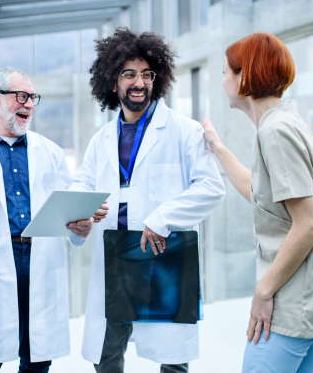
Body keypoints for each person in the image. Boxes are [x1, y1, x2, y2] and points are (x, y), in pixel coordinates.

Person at [66, 28, 226, 372]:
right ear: (113, 83)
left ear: (157, 79)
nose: (139, 82)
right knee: (107, 357)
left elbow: (211, 187)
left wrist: (162, 217)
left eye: (146, 74)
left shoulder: (184, 130)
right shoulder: (102, 138)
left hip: (163, 253)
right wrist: (80, 211)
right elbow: (82, 181)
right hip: (117, 255)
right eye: (129, 74)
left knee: (172, 360)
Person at [202, 32, 313, 373]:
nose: (222, 79)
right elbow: (259, 192)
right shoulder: (283, 122)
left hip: (292, 301)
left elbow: (310, 223)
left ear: (245, 77)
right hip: (310, 298)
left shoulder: (275, 132)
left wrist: (263, 291)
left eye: (226, 71)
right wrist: (217, 147)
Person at [0, 67, 93, 373]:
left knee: (37, 360)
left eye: (33, 98)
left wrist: (80, 226)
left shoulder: (48, 151)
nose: (29, 104)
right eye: (21, 96)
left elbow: (67, 207)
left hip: (38, 258)